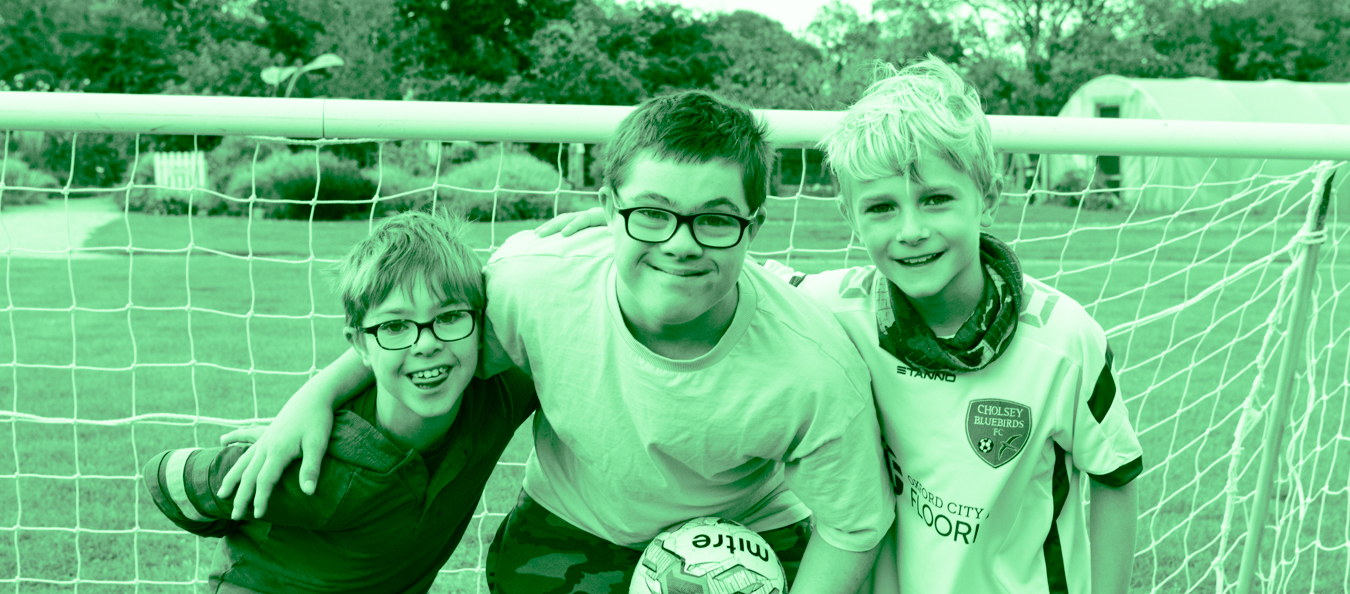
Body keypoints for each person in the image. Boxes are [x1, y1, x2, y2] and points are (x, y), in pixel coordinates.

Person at [214, 90, 896, 593]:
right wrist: (315, 394)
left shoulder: (812, 362)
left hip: (743, 537)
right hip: (570, 525)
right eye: (652, 213)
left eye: (714, 220)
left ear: (754, 225)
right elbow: (425, 335)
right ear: (608, 210)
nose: (681, 244)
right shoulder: (534, 285)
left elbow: (854, 526)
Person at [543, 55, 1145, 594]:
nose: (911, 230)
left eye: (936, 199)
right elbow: (730, 271)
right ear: (850, 216)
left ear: (987, 195)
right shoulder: (833, 309)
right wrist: (619, 230)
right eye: (881, 207)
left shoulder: (1063, 341)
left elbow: (1114, 477)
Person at [142, 211, 538, 593]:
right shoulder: (327, 464)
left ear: (481, 321)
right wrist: (251, 481)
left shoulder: (499, 396)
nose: (426, 344)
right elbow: (165, 477)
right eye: (395, 326)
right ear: (360, 344)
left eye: (449, 317)